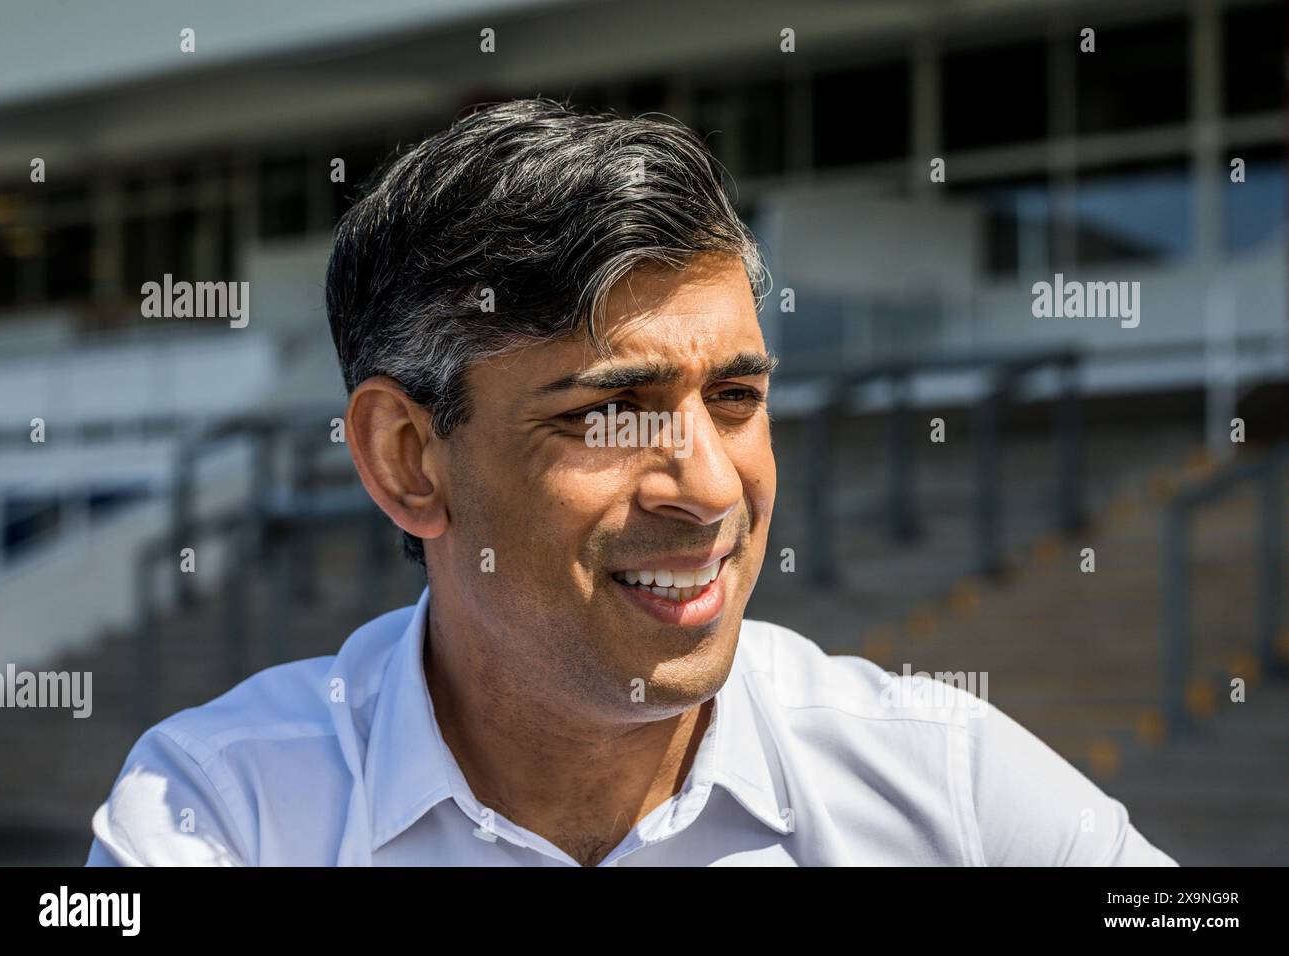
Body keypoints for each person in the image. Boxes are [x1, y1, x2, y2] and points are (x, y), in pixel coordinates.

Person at [87, 99, 1177, 866]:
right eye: (610, 414)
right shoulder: (217, 810)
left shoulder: (949, 785)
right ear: (407, 460)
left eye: (736, 398)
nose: (706, 487)